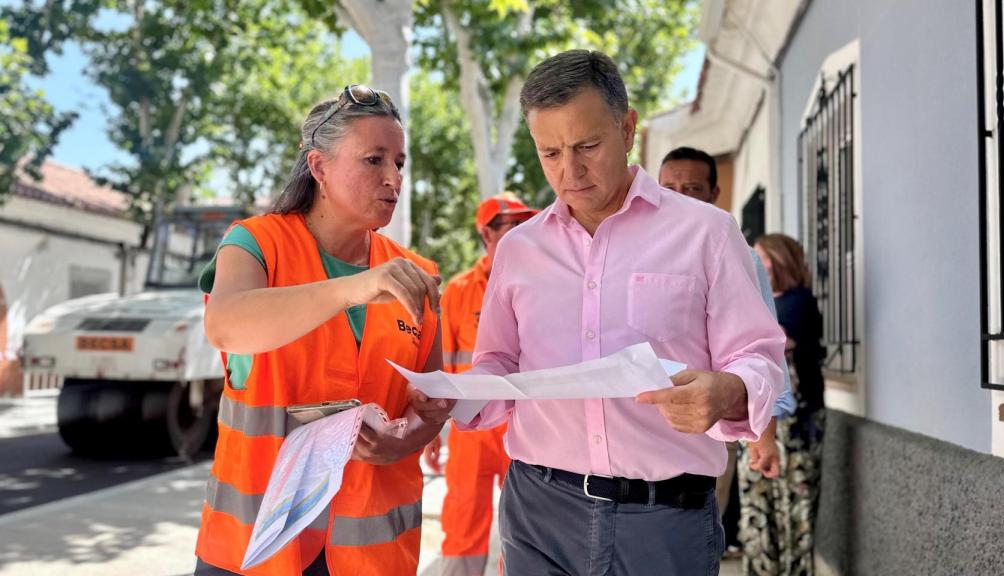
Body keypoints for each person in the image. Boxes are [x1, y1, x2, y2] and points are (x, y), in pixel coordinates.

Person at [414, 49, 787, 576]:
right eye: (550, 153)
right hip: (539, 513)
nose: (570, 171)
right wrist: (452, 401)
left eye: (588, 145)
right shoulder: (519, 250)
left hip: (664, 522)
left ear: (627, 127)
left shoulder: (708, 233)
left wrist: (728, 391)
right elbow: (497, 362)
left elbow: (762, 358)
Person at [193, 84, 450, 576]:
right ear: (319, 167)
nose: (392, 178)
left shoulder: (415, 273)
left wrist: (413, 434)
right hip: (257, 551)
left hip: (373, 556)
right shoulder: (255, 244)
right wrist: (351, 289)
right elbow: (225, 326)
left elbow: (432, 400)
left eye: (399, 163)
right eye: (374, 160)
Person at [659, 146, 797, 555]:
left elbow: (762, 354)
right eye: (669, 187)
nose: (680, 196)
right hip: (642, 432)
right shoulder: (635, 247)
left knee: (692, 543)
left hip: (710, 431)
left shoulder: (735, 253)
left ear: (715, 192)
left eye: (693, 188)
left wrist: (764, 437)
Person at [432, 193, 537, 576]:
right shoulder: (458, 291)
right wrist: (432, 431)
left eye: (527, 224)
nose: (525, 233)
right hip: (470, 432)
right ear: (486, 234)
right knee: (462, 526)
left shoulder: (542, 286)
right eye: (513, 226)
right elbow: (441, 365)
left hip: (524, 430)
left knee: (526, 530)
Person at [741, 233, 827, 576]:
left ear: (780, 261)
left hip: (796, 425)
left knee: (795, 510)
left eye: (762, 259)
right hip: (759, 420)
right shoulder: (764, 305)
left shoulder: (797, 301)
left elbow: (772, 342)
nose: (757, 267)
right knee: (758, 509)